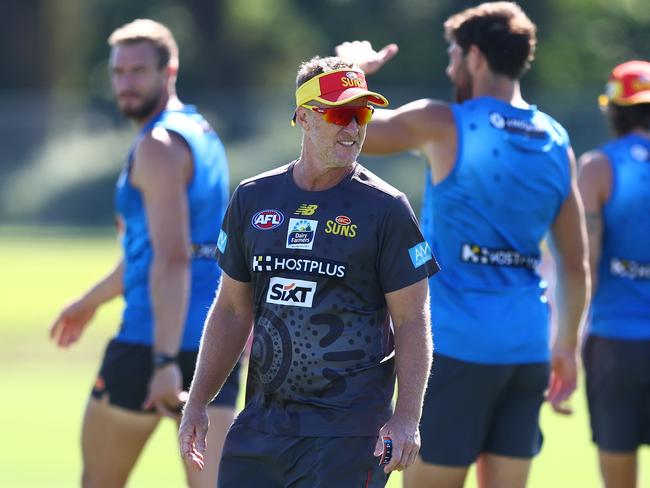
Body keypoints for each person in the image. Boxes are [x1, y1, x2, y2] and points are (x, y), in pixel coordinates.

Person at [336, 2, 590, 487]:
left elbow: (347, 129)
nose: (450, 67)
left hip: (454, 347)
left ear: (474, 55)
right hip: (528, 348)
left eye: (453, 55)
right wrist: (567, 348)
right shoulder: (556, 139)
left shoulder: (445, 122)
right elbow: (575, 265)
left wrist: (352, 72)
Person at [179, 56, 439, 487]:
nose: (353, 128)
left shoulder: (386, 208)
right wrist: (198, 403)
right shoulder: (252, 198)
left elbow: (412, 320)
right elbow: (230, 310)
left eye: (361, 114)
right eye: (339, 114)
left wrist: (407, 416)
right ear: (303, 116)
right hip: (261, 427)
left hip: (350, 434)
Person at [49, 19, 238, 488]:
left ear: (168, 70)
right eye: (118, 72)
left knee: (99, 482)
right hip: (216, 343)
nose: (125, 83)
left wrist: (162, 361)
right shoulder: (201, 132)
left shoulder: (156, 146)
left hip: (150, 343)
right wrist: (91, 300)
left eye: (138, 71)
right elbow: (162, 251)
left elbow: (172, 258)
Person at [578, 61, 650, 488]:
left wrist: (563, 344)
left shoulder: (598, 166)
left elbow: (583, 261)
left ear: (614, 109)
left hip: (615, 343)